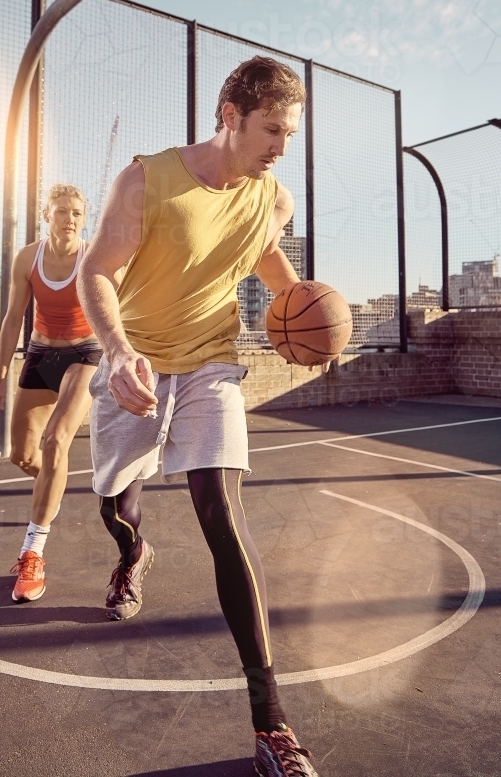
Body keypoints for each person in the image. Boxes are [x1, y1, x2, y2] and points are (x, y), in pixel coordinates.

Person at [77, 57, 322, 776]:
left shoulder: (272, 197)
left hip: (211, 363)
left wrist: (304, 308)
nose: (281, 145)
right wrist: (117, 353)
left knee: (222, 511)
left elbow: (263, 253)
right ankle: (132, 554)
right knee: (114, 503)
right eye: (271, 129)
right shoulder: (147, 179)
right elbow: (96, 270)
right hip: (137, 361)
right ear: (228, 115)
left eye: (291, 133)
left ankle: (270, 724)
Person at [0, 184, 102, 603]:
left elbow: (121, 305)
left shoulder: (94, 255)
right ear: (47, 214)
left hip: (86, 352)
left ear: (85, 218)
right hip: (42, 351)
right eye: (62, 210)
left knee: (56, 440)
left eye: (77, 212)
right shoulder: (28, 258)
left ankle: (33, 553)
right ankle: (54, 481)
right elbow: (12, 321)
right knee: (25, 457)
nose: (70, 218)